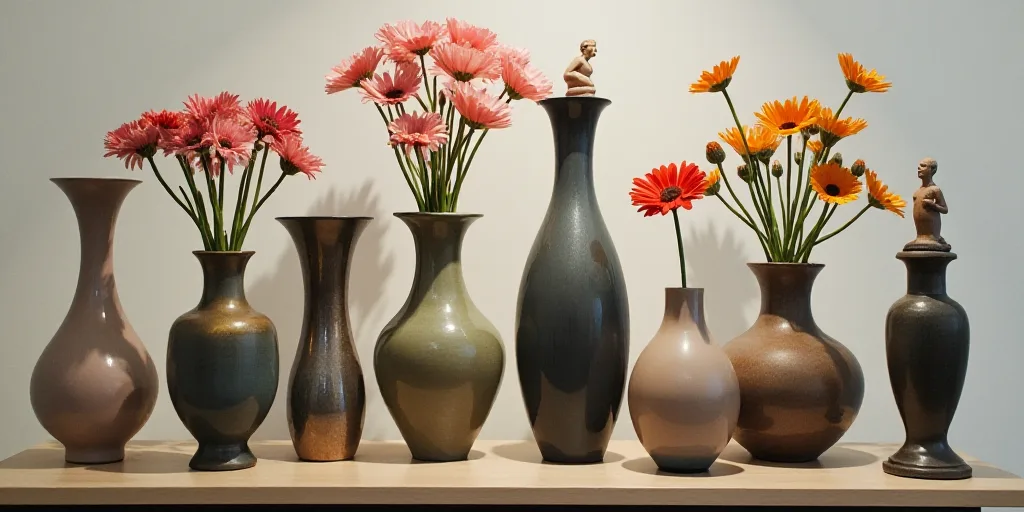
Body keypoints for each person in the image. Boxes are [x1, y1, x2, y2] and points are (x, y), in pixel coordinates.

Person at [905, 157, 950, 251]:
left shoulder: (935, 189)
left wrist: (933, 205)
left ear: (932, 170)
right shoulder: (917, 191)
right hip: (920, 233)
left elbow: (945, 209)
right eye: (919, 166)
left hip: (932, 233)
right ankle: (920, 236)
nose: (919, 168)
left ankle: (933, 237)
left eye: (923, 166)